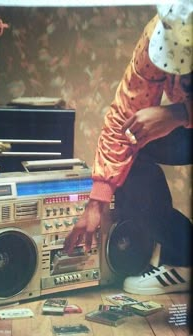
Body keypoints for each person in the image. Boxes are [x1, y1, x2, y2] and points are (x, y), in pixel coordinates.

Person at [64, 0, 193, 295]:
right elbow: (121, 119)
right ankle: (183, 259)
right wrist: (96, 202)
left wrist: (177, 114)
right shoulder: (153, 39)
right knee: (130, 139)